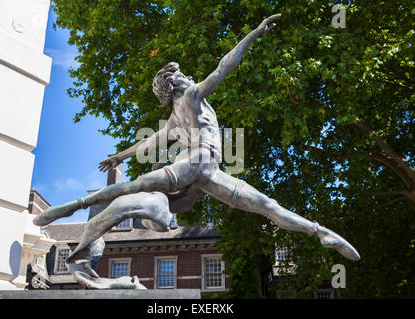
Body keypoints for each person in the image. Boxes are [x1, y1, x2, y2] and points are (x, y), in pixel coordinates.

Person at [34, 14, 360, 261]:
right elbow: (222, 68)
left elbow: (145, 145)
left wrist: (120, 156)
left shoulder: (173, 121)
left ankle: (320, 232)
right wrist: (254, 34)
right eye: (184, 75)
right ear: (177, 84)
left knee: (266, 205)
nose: (190, 76)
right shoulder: (191, 96)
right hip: (196, 162)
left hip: (209, 173)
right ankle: (75, 205)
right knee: (140, 185)